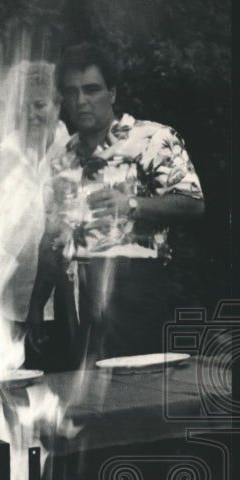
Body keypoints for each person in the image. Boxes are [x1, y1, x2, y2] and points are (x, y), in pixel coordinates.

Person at [28, 42, 205, 363]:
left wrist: (133, 205)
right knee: (84, 403)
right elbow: (53, 238)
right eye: (71, 92)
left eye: (92, 89)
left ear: (112, 93)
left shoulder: (153, 139)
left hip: (135, 290)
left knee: (137, 396)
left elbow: (193, 204)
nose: (81, 101)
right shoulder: (62, 159)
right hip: (77, 299)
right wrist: (37, 304)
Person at [0, 60, 71, 371]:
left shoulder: (76, 154)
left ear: (57, 105)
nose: (32, 114)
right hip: (12, 308)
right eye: (23, 106)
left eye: (40, 104)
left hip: (71, 306)